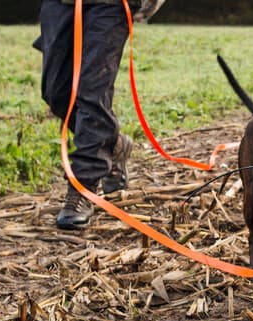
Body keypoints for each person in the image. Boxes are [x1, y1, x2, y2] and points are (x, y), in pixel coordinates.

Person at [33, 0, 165, 229]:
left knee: (92, 92)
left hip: (110, 4)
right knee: (56, 93)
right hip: (60, 4)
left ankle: (83, 185)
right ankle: (113, 144)